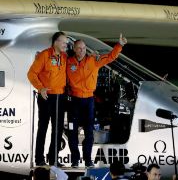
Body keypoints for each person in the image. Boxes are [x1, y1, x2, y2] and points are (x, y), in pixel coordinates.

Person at [66, 33, 127, 168]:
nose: (81, 50)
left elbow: (111, 57)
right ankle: (75, 160)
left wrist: (119, 45)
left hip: (88, 101)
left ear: (85, 49)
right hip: (74, 101)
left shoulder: (93, 60)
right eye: (78, 48)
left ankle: (88, 160)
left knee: (89, 132)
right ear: (74, 49)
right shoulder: (68, 62)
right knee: (72, 131)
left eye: (83, 48)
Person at [27, 31, 68, 167]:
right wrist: (40, 88)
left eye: (66, 42)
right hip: (46, 96)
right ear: (55, 42)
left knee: (58, 129)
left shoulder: (65, 56)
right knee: (43, 127)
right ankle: (39, 159)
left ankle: (53, 159)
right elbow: (31, 73)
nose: (65, 44)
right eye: (63, 42)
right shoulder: (44, 55)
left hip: (60, 97)